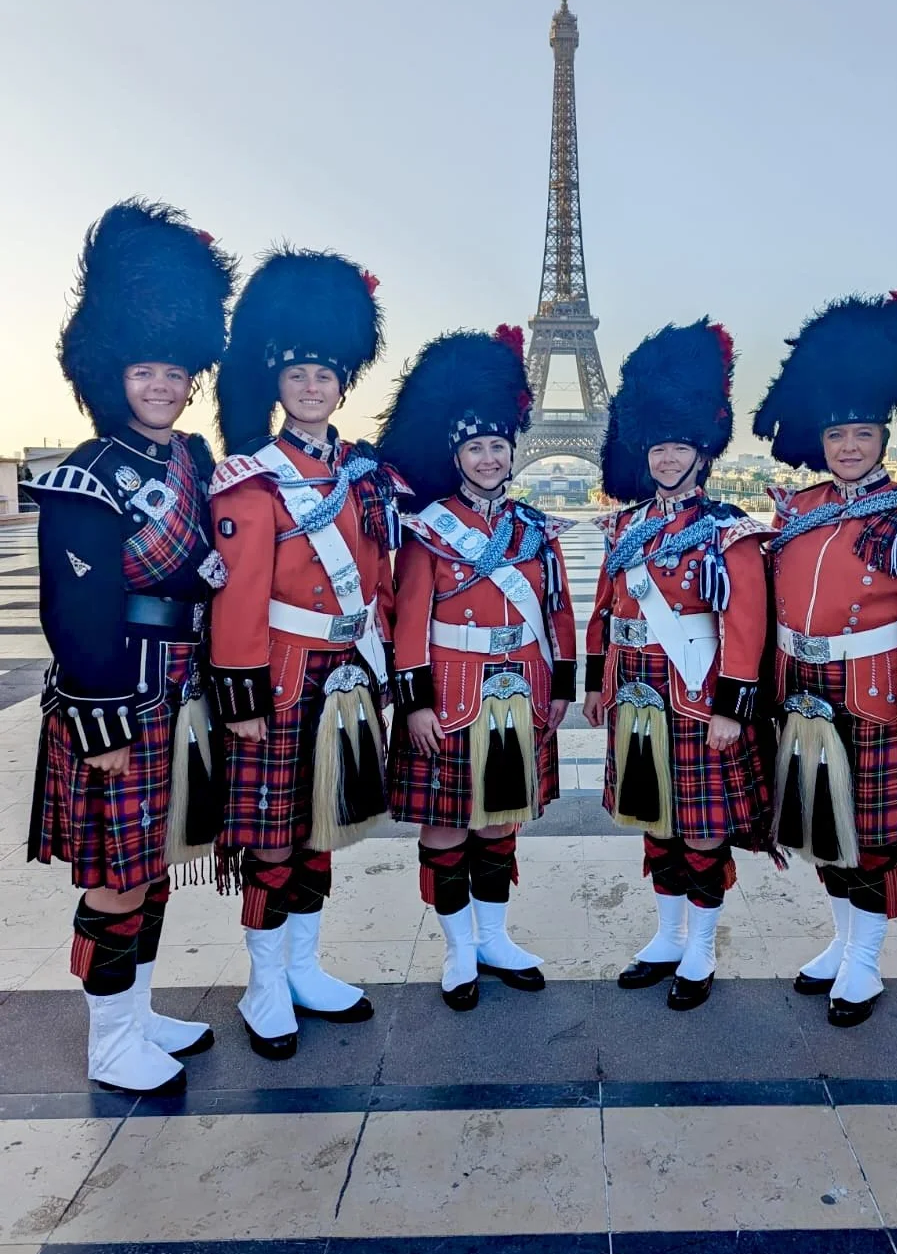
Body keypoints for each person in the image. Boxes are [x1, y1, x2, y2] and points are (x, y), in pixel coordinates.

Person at [26, 200, 234, 1094]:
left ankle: (139, 1011)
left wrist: (207, 578)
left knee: (151, 866)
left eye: (174, 372)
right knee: (116, 875)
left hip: (179, 687)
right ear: (114, 374)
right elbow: (75, 611)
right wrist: (100, 717)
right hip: (117, 695)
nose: (160, 386)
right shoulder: (86, 473)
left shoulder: (193, 460)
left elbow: (181, 572)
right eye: (144, 370)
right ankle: (109, 1041)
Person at [752, 291, 897, 1027]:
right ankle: (843, 940)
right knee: (825, 824)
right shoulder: (797, 511)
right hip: (804, 686)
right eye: (839, 434)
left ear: (883, 437)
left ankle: (866, 962)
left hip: (876, 689)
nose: (850, 447)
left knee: (872, 834)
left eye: (863, 434)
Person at [210, 249, 402, 1059]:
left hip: (344, 674)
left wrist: (382, 663)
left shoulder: (364, 477)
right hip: (280, 680)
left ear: (343, 384)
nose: (314, 387)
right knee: (272, 835)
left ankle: (305, 965)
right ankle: (264, 982)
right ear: (279, 387)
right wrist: (241, 695)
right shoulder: (252, 480)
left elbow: (380, 578)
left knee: (322, 823)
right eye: (299, 376)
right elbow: (240, 595)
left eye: (326, 375)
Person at [378, 328, 576, 1010]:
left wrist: (560, 694)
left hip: (519, 696)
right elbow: (408, 622)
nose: (489, 458)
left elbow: (558, 615)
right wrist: (416, 703)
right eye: (475, 447)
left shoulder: (535, 529)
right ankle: (458, 947)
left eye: (498, 446)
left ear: (512, 452)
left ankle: (494, 937)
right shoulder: (429, 531)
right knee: (445, 827)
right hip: (452, 698)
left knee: (499, 822)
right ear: (456, 455)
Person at [583, 320, 773, 1010]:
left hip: (696, 696)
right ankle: (667, 936)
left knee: (701, 825)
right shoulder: (626, 527)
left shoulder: (729, 529)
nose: (667, 460)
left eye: (679, 449)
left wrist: (732, 707)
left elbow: (745, 626)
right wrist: (595, 683)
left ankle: (701, 945)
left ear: (703, 454)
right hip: (635, 691)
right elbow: (605, 610)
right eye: (659, 448)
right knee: (657, 818)